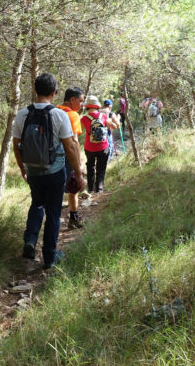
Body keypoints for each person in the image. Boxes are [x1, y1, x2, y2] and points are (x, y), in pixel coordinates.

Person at [12, 73, 85, 269]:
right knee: (53, 213)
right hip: (55, 171)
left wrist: (22, 167)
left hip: (33, 171)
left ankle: (30, 240)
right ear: (54, 92)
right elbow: (70, 147)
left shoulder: (22, 114)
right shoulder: (59, 115)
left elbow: (16, 145)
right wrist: (78, 174)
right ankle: (50, 257)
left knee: (37, 204)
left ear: (36, 90)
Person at [57, 87, 85, 229]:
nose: (81, 105)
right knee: (73, 188)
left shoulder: (53, 110)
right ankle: (73, 218)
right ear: (72, 100)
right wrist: (79, 164)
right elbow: (74, 143)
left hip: (51, 158)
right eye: (80, 101)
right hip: (68, 159)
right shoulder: (72, 115)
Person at [80, 95, 119, 194]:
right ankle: (99, 189)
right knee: (101, 167)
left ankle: (90, 189)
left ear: (87, 106)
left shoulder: (84, 118)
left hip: (89, 147)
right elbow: (115, 126)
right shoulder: (104, 116)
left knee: (90, 166)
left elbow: (79, 131)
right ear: (97, 106)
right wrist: (116, 121)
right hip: (103, 146)